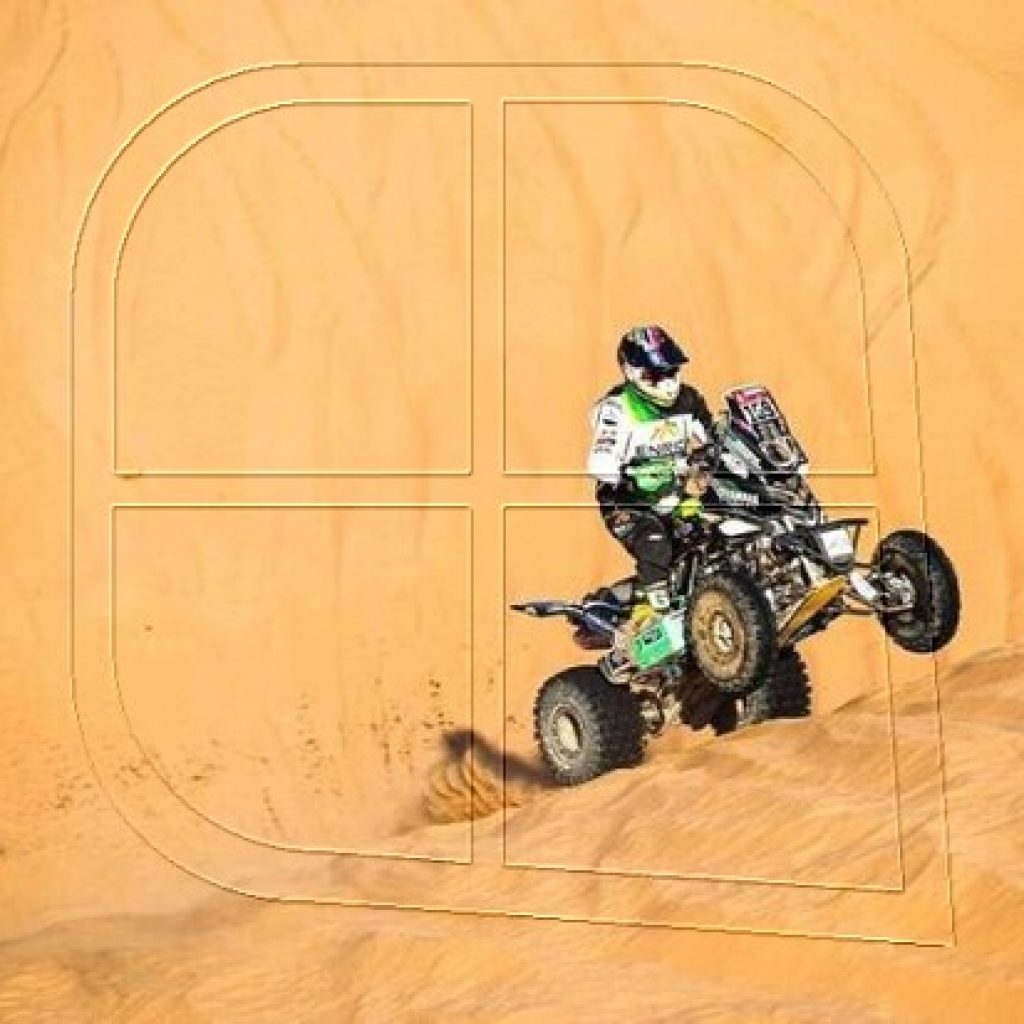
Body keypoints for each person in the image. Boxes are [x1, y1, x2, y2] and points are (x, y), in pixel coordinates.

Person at [586, 324, 715, 633]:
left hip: (676, 494)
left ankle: (616, 599)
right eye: (655, 376)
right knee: (655, 545)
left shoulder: (689, 400)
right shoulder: (616, 408)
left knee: (709, 540)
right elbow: (600, 460)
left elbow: (714, 438)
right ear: (631, 373)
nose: (667, 383)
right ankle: (654, 624)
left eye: (671, 372)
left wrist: (711, 458)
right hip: (628, 501)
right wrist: (628, 473)